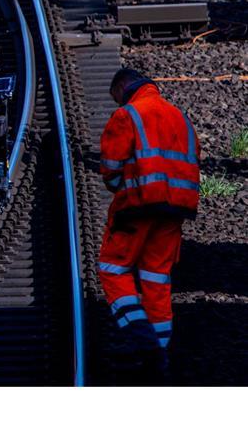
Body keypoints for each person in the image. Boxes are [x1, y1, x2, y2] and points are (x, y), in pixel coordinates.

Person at [97, 68, 200, 382]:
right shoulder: (178, 116)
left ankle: (144, 342)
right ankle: (161, 354)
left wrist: (119, 186)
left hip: (136, 208)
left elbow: (111, 168)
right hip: (175, 210)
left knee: (113, 269)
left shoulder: (128, 115)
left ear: (124, 88)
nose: (118, 103)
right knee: (156, 278)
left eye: (117, 97)